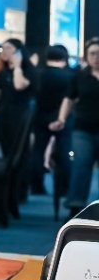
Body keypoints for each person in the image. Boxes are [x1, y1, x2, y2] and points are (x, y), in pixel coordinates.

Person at [0, 37, 37, 212]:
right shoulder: (1, 70)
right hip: (3, 115)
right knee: (5, 153)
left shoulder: (27, 70)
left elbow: (19, 86)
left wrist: (17, 66)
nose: (4, 52)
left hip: (20, 116)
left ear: (18, 51)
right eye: (3, 49)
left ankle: (19, 193)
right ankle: (7, 194)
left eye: (9, 48)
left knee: (20, 156)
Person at [52, 38, 99, 215]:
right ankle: (75, 207)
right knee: (81, 165)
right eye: (92, 54)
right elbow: (69, 99)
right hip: (83, 128)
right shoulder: (79, 76)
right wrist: (61, 119)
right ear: (87, 56)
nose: (96, 57)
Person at [30, 45, 72, 197]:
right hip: (63, 117)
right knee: (65, 152)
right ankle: (64, 188)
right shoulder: (70, 76)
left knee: (38, 151)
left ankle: (36, 186)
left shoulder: (38, 74)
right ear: (64, 58)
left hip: (41, 116)